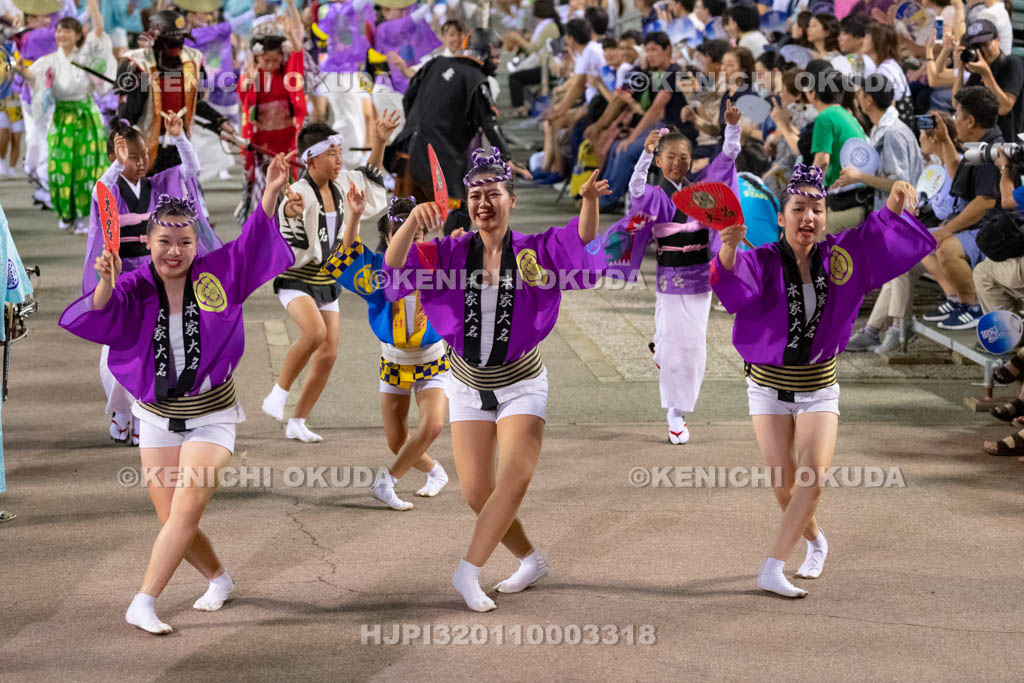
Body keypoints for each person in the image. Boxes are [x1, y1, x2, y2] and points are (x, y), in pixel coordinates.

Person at [59, 152, 299, 634]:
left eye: (184, 242)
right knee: (174, 519)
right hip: (155, 416)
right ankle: (220, 578)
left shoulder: (218, 272)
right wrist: (105, 284)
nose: (174, 251)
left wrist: (270, 192)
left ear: (196, 242)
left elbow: (253, 244)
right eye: (164, 241)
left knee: (186, 509)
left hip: (212, 413)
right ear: (147, 243)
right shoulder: (133, 283)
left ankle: (143, 601)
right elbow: (101, 313)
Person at [382, 150, 610, 612]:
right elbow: (393, 267)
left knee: (513, 480)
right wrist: (411, 222)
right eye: (475, 196)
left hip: (521, 382)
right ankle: (531, 559)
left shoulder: (534, 250)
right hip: (465, 383)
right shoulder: (449, 252)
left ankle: (468, 570)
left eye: (493, 194)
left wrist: (588, 201)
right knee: (476, 494)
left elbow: (581, 240)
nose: (484, 202)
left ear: (512, 200)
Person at [712, 164, 934, 598]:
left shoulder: (842, 257)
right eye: (798, 208)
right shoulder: (760, 259)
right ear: (782, 216)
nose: (808, 218)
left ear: (826, 216)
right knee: (785, 486)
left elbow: (876, 238)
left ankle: (772, 568)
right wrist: (726, 252)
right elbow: (731, 291)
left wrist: (891, 207)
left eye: (817, 209)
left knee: (811, 481)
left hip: (818, 388)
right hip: (768, 388)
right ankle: (815, 540)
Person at [603, 103, 742, 444]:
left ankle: (664, 357)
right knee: (677, 343)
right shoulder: (657, 194)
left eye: (684, 157)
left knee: (693, 346)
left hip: (700, 277)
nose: (678, 163)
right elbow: (636, 192)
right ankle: (674, 414)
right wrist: (645, 155)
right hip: (670, 277)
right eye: (671, 157)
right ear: (661, 161)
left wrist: (732, 128)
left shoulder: (701, 191)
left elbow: (726, 161)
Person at [87, 116, 221, 446]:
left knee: (156, 348)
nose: (141, 162)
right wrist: (117, 167)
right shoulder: (109, 190)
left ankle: (144, 412)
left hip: (155, 280)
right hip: (120, 281)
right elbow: (99, 192)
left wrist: (178, 139)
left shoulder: (159, 186)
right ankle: (121, 411)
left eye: (143, 155)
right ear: (115, 159)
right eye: (133, 157)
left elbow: (190, 171)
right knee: (115, 352)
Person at [262, 119, 393, 442]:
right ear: (310, 159)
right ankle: (278, 392)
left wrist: (379, 141)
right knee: (315, 332)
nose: (338, 160)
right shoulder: (299, 192)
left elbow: (371, 177)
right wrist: (290, 211)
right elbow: (284, 232)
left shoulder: (345, 182)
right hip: (297, 278)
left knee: (329, 351)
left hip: (329, 277)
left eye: (339, 153)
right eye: (331, 154)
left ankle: (298, 421)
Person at [320, 196, 450, 510]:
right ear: (390, 237)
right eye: (402, 233)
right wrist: (353, 216)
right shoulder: (377, 270)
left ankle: (386, 482)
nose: (411, 238)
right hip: (393, 361)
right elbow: (346, 255)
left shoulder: (437, 262)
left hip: (432, 357)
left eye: (417, 233)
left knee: (432, 426)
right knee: (397, 441)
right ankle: (436, 472)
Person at [394, 28, 528, 235]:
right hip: (439, 160)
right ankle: (451, 263)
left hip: (407, 152)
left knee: (403, 220)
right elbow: (490, 124)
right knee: (460, 211)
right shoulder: (476, 81)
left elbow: (407, 98)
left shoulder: (434, 63)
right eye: (496, 56)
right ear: (487, 52)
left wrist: (419, 126)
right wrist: (507, 158)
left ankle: (384, 263)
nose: (498, 62)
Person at [20, 0, 114, 234]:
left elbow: (99, 31)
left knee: (88, 167)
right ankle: (65, 213)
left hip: (86, 117)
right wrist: (19, 69)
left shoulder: (86, 56)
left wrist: (92, 5)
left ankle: (85, 216)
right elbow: (33, 78)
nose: (61, 34)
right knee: (62, 168)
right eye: (59, 30)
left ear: (77, 34)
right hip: (62, 119)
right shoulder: (50, 60)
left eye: (66, 30)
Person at [116, 8, 235, 176]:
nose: (177, 47)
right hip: (147, 151)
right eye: (172, 41)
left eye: (181, 40)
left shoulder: (192, 61)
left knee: (183, 199)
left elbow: (195, 103)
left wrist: (219, 121)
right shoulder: (138, 64)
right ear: (158, 40)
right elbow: (129, 114)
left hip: (181, 148)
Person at [921, 86, 1002, 330]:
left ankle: (973, 306)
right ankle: (956, 299)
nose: (955, 120)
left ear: (970, 120)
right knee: (923, 241)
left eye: (957, 115)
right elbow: (960, 179)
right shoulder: (980, 143)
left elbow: (985, 203)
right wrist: (945, 140)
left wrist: (947, 230)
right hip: (980, 226)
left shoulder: (991, 150)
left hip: (994, 230)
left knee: (946, 247)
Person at [236, 13, 306, 223]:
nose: (272, 64)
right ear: (256, 57)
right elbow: (244, 99)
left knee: (289, 185)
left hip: (285, 140)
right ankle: (263, 224)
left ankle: (290, 225)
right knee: (263, 189)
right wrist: (248, 82)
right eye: (266, 60)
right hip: (261, 143)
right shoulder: (250, 77)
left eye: (276, 60)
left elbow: (297, 52)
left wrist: (292, 11)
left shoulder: (288, 74)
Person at [955, 18, 1024, 145]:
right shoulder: (977, 72)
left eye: (985, 45)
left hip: (1010, 144)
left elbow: (1004, 107)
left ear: (998, 40)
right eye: (976, 47)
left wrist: (986, 75)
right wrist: (960, 69)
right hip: (985, 145)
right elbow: (957, 103)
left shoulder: (1012, 64)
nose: (981, 51)